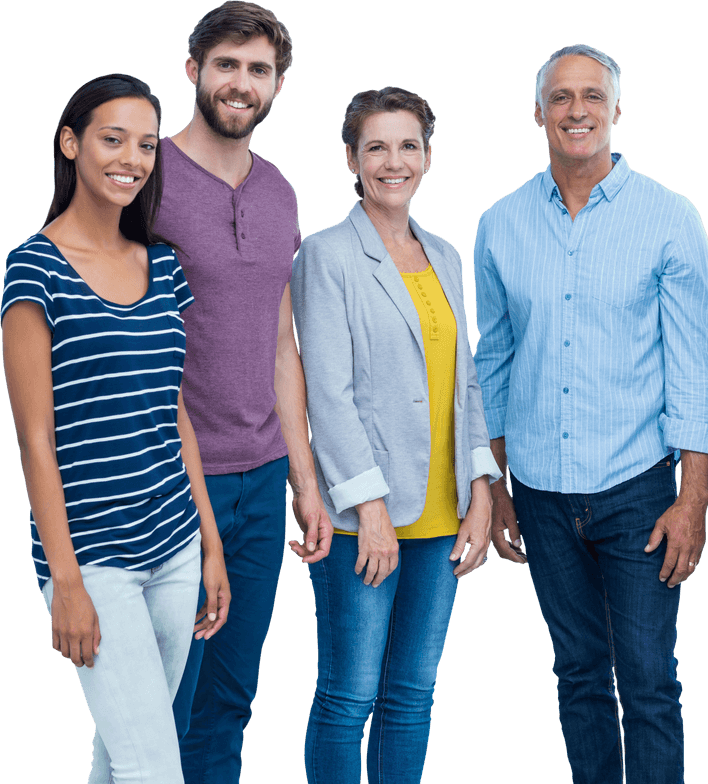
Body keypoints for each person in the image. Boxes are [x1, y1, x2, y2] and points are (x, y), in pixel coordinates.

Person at [474, 44, 708, 784]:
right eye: (561, 97)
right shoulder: (500, 223)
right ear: (539, 114)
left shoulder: (670, 217)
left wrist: (693, 498)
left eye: (592, 96)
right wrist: (495, 485)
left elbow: (694, 365)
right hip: (540, 493)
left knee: (648, 679)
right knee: (579, 672)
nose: (576, 110)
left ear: (617, 110)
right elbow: (493, 360)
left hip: (637, 489)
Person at [1, 73, 229, 784]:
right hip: (94, 558)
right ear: (71, 144)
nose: (132, 158)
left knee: (120, 755)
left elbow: (176, 413)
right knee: (152, 766)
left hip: (175, 543)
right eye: (113, 139)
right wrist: (66, 582)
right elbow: (34, 440)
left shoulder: (163, 265)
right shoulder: (34, 271)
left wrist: (210, 543)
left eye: (147, 145)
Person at [291, 85, 500, 784]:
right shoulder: (326, 255)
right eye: (376, 147)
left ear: (428, 157)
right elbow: (327, 393)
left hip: (441, 515)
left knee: (411, 696)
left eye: (408, 146)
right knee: (349, 696)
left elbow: (466, 382)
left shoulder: (445, 254)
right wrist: (370, 508)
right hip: (363, 519)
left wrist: (480, 489)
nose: (394, 162)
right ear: (351, 159)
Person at [155, 4, 332, 782]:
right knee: (164, 702)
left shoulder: (280, 191)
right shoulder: (145, 176)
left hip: (260, 480)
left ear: (278, 85)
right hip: (167, 480)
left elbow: (282, 340)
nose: (241, 82)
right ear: (194, 70)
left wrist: (305, 479)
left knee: (229, 701)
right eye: (226, 64)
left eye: (258, 69)